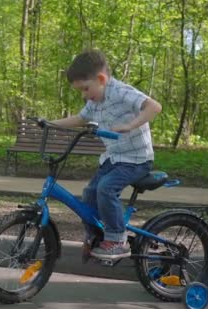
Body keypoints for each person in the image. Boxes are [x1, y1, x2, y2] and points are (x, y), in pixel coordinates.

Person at [48, 49, 162, 261]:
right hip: (114, 159)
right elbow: (79, 119)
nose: (84, 95)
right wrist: (49, 124)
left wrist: (131, 124)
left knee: (106, 188)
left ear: (101, 79)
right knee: (90, 194)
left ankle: (117, 239)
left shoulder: (121, 92)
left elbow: (154, 107)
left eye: (85, 88)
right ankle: (96, 236)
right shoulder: (94, 101)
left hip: (137, 159)